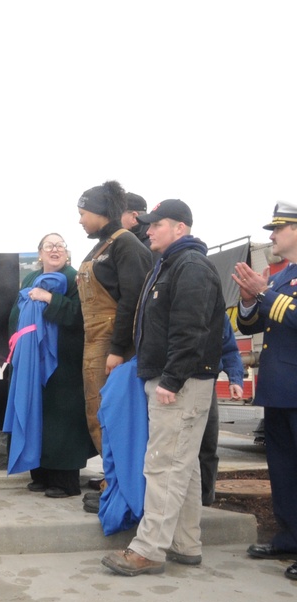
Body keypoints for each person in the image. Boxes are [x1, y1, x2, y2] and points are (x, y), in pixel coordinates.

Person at [102, 199, 225, 576]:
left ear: (180, 228)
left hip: (182, 383)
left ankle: (149, 549)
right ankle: (186, 544)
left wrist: (171, 379)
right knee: (182, 467)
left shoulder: (190, 267)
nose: (149, 230)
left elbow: (191, 330)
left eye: (157, 225)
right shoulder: (172, 265)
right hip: (176, 380)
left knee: (164, 466)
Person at [76, 181, 153, 513]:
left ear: (100, 212)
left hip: (110, 342)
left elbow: (132, 301)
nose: (80, 221)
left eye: (83, 213)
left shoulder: (126, 245)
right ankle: (112, 481)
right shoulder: (100, 246)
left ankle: (121, 490)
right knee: (97, 414)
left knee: (112, 416)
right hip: (94, 339)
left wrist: (118, 349)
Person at [233, 200, 297, 581]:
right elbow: (250, 327)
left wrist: (266, 294)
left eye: (278, 228)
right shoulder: (278, 276)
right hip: (278, 390)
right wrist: (247, 299)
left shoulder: (274, 283)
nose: (271, 236)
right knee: (284, 471)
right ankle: (288, 537)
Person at [5, 233, 96, 497]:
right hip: (33, 361)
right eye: (49, 246)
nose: (55, 250)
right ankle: (41, 473)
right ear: (40, 254)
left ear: (67, 254)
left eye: (60, 246)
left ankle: (65, 481)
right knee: (37, 416)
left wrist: (49, 298)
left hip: (65, 364)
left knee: (62, 422)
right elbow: (16, 313)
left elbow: (82, 316)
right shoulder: (30, 279)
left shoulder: (77, 279)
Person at [199, 314, 245, 506]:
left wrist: (235, 379)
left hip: (207, 383)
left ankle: (205, 501)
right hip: (171, 384)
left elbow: (229, 349)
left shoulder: (217, 311)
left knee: (208, 446)